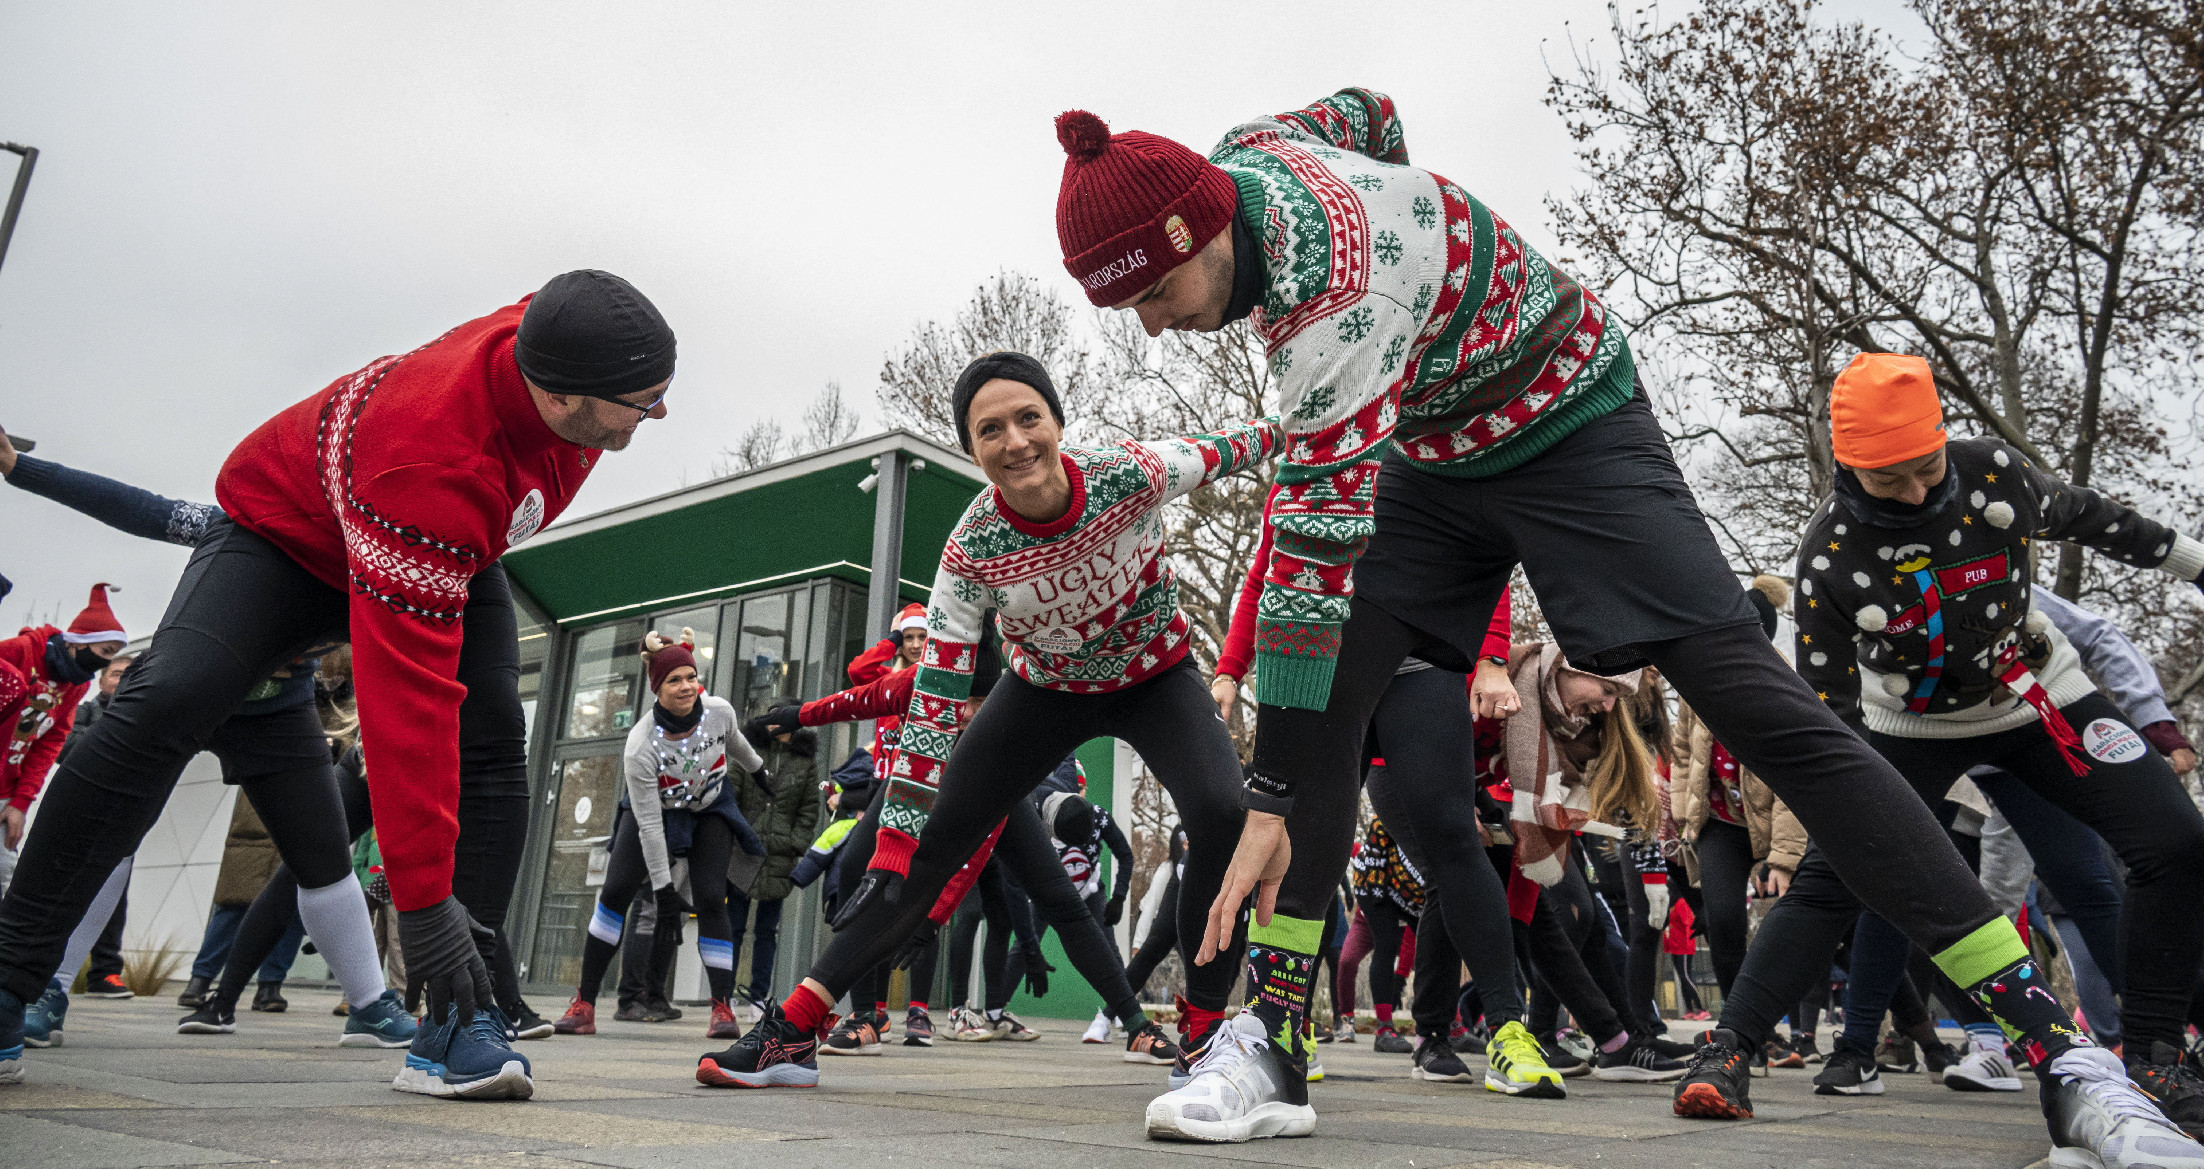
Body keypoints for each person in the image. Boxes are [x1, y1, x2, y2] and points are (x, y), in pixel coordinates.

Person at [1051, 91, 2204, 1163]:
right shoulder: (1251, 153)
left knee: (1761, 703)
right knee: (1331, 706)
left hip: (1569, 427)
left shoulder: (1334, 308)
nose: (1155, 329)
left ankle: (2068, 1060)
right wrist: (1428, 263)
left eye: (1153, 297)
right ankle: (1275, 1044)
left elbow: (1304, 573)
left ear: (1195, 229)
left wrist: (1265, 798)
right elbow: (1369, 109)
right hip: (1436, 452)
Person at [0, 270, 676, 1101]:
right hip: (284, 534)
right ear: (564, 392)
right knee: (167, 699)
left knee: (497, 727)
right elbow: (408, 706)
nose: (660, 413)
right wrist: (424, 909)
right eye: (645, 402)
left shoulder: (554, 349)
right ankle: (11, 975)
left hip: (454, 541)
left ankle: (456, 1020)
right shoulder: (432, 457)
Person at [698, 351, 1273, 1094]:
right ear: (974, 450)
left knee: (1225, 814)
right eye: (990, 430)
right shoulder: (971, 552)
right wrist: (895, 841)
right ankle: (796, 1027)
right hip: (1044, 690)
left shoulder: (1133, 473)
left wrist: (1319, 432)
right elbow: (934, 701)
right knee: (926, 844)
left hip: (1155, 676)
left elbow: (1242, 444)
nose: (1016, 441)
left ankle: (1201, 1036)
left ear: (1058, 424)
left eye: (1029, 418)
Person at [1674, 353, 2204, 1158]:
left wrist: (2196, 565)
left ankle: (2158, 1056)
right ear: (1850, 468)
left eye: (1926, 467)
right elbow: (1827, 711)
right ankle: (1729, 1049)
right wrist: (1846, 814)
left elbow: (2098, 518)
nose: (1919, 492)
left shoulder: (1995, 471)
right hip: (1906, 727)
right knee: (1832, 877)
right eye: (1891, 482)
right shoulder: (1829, 554)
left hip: (2038, 696)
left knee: (2173, 840)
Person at [1, 439, 414, 1050]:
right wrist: (20, 467)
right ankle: (52, 988)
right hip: (184, 683)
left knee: (323, 853)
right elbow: (138, 507)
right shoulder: (243, 521)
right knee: (109, 836)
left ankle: (371, 1003)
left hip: (276, 709)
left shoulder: (375, 552)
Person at [552, 634, 766, 1040]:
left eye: (691, 677)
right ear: (657, 688)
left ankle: (722, 1009)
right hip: (656, 811)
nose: (686, 686)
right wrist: (664, 890)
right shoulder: (640, 745)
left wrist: (758, 770)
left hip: (709, 808)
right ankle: (584, 1004)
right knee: (615, 891)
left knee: (710, 898)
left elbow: (735, 741)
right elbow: (650, 826)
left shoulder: (718, 710)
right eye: (674, 680)